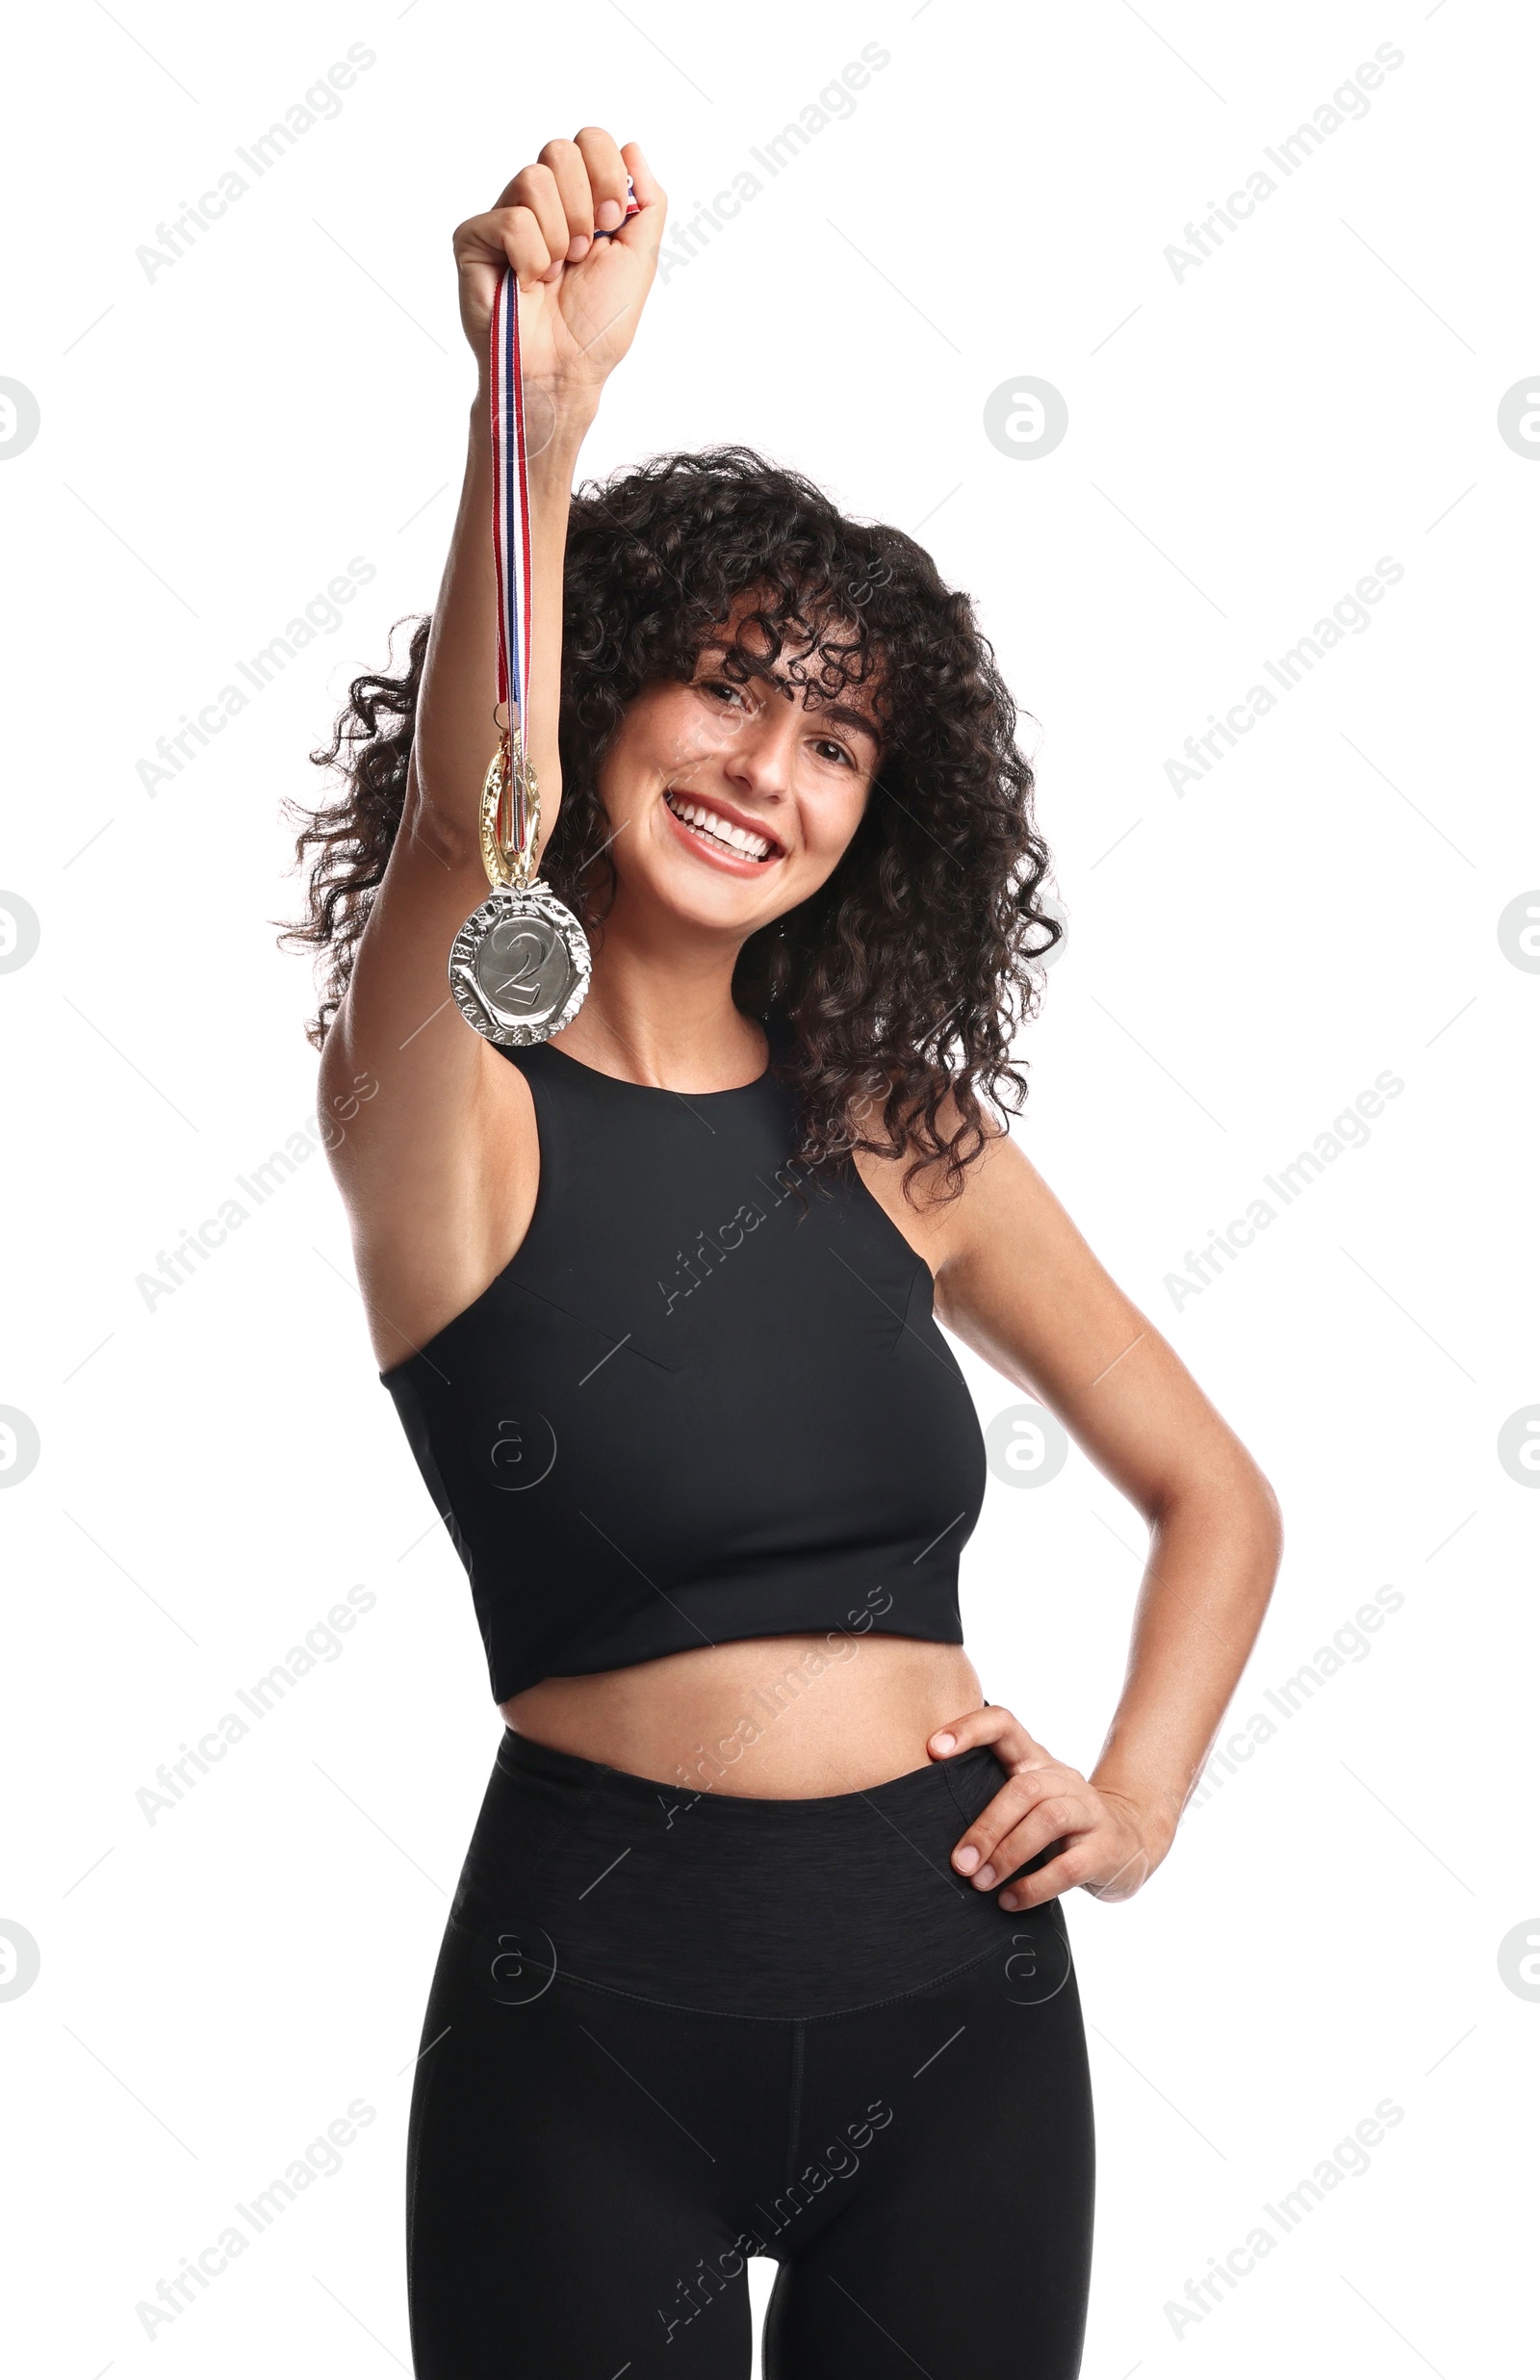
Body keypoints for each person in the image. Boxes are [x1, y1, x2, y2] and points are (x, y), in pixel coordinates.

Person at [287, 127, 1281, 2380]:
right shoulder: (442, 1114)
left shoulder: (897, 1134)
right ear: (617, 691)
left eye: (834, 740)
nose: (768, 771)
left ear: (877, 820)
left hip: (962, 2021)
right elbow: (473, 816)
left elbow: (1214, 1494)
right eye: (726, 689)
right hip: (590, 2030)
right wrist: (531, 420)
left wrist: (1129, 1802)